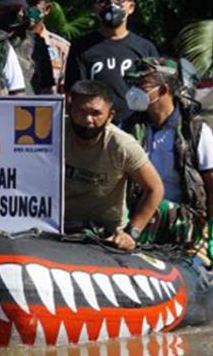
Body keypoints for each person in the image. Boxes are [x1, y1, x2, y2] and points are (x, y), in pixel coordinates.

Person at [122, 58, 213, 264]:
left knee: (158, 206)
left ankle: (131, 240)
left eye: (141, 85)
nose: (133, 91)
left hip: (180, 216)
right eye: (132, 85)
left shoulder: (196, 131)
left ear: (163, 90)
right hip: (135, 211)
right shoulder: (128, 127)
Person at [64, 80, 164, 250]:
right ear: (69, 109)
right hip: (57, 226)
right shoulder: (50, 133)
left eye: (96, 113)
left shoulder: (123, 145)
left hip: (106, 233)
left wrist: (131, 233)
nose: (88, 120)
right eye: (81, 111)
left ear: (110, 116)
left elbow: (155, 188)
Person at [64, 0, 159, 123]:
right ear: (95, 7)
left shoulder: (145, 48)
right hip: (95, 129)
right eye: (104, 0)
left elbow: (154, 94)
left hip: (135, 129)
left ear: (131, 7)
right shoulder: (81, 47)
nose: (112, 4)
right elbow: (74, 95)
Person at [0, 0, 55, 94]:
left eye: (17, 8)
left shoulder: (36, 44)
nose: (13, 14)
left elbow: (47, 92)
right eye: (5, 9)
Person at [22, 0, 70, 92]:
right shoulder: (6, 44)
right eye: (24, 2)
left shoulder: (61, 48)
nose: (28, 8)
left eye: (34, 3)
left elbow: (65, 91)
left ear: (47, 9)